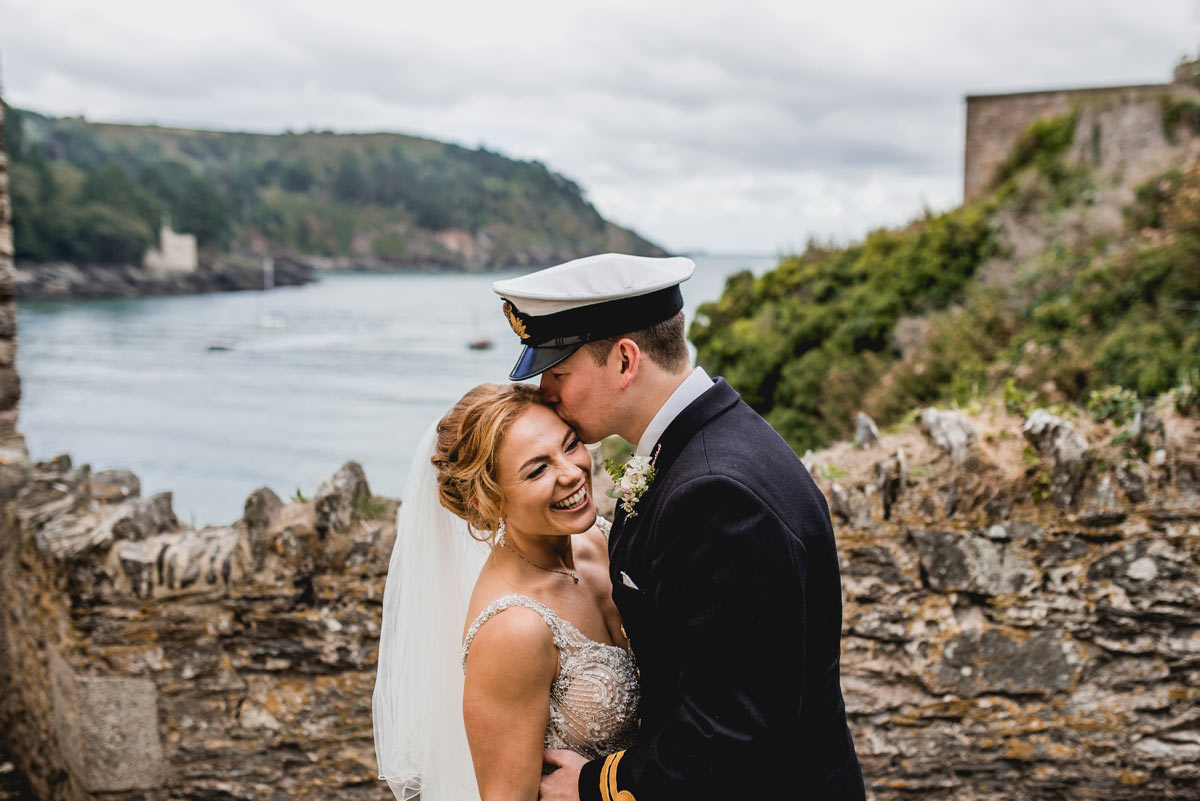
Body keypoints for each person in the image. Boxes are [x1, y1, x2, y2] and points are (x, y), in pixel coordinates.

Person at [492, 253, 865, 801]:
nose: (546, 391)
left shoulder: (715, 495)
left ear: (624, 360)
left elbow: (730, 728)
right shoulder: (708, 448)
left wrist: (598, 785)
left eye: (559, 372)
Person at [373, 382, 641, 801]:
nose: (572, 471)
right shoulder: (513, 628)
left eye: (569, 445)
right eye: (537, 470)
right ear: (488, 502)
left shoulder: (603, 540)